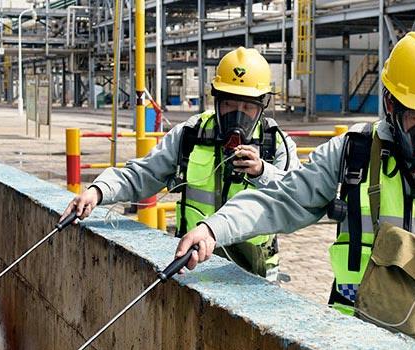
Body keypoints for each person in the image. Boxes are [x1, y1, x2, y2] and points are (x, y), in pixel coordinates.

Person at [174, 31, 415, 350]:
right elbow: (280, 200)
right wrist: (213, 228)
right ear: (391, 105)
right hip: (357, 337)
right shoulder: (352, 152)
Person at [61, 47, 299, 280]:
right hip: (194, 266)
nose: (237, 115)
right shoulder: (191, 134)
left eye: (247, 107)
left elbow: (297, 199)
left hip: (254, 275)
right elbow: (142, 174)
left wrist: (262, 172)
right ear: (216, 100)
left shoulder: (276, 144)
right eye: (229, 105)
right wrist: (97, 191)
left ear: (262, 106)